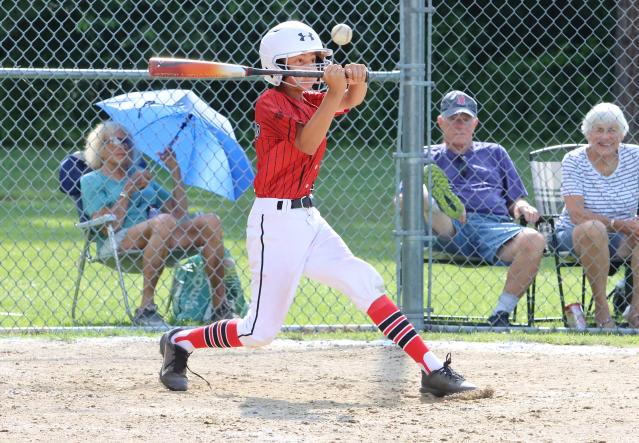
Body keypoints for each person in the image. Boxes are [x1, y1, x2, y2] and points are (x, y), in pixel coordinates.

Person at [158, 20, 476, 396]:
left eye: (316, 58)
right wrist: (334, 92)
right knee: (259, 332)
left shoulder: (308, 98)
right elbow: (308, 141)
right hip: (274, 224)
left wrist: (356, 81)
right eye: (304, 60)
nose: (313, 65)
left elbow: (349, 100)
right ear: (280, 66)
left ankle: (432, 367)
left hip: (308, 218)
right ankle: (179, 340)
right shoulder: (269, 104)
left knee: (363, 282)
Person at [81, 121, 228, 327]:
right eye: (117, 141)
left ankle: (220, 307)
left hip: (160, 237)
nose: (124, 147)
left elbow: (179, 213)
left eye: (128, 143)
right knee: (164, 222)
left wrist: (175, 172)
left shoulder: (141, 178)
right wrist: (128, 190)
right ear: (100, 147)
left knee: (211, 221)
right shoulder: (91, 181)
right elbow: (109, 228)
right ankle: (146, 308)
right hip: (117, 241)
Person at [421, 90, 545, 327]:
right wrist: (428, 199)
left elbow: (515, 199)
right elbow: (404, 197)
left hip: (495, 229)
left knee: (534, 239)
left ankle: (500, 314)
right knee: (418, 194)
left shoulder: (495, 152)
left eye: (465, 119)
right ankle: (443, 204)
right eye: (453, 119)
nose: (460, 124)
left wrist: (524, 206)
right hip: (448, 229)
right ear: (440, 122)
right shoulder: (427, 155)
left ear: (475, 123)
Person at [555, 102, 639, 328]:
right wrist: (618, 223)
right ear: (587, 132)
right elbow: (576, 213)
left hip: (623, 236)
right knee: (594, 228)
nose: (605, 137)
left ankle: (636, 312)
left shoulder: (636, 157)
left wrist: (631, 225)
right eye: (598, 130)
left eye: (612, 130)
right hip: (577, 233)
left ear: (622, 133)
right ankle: (602, 311)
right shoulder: (574, 160)